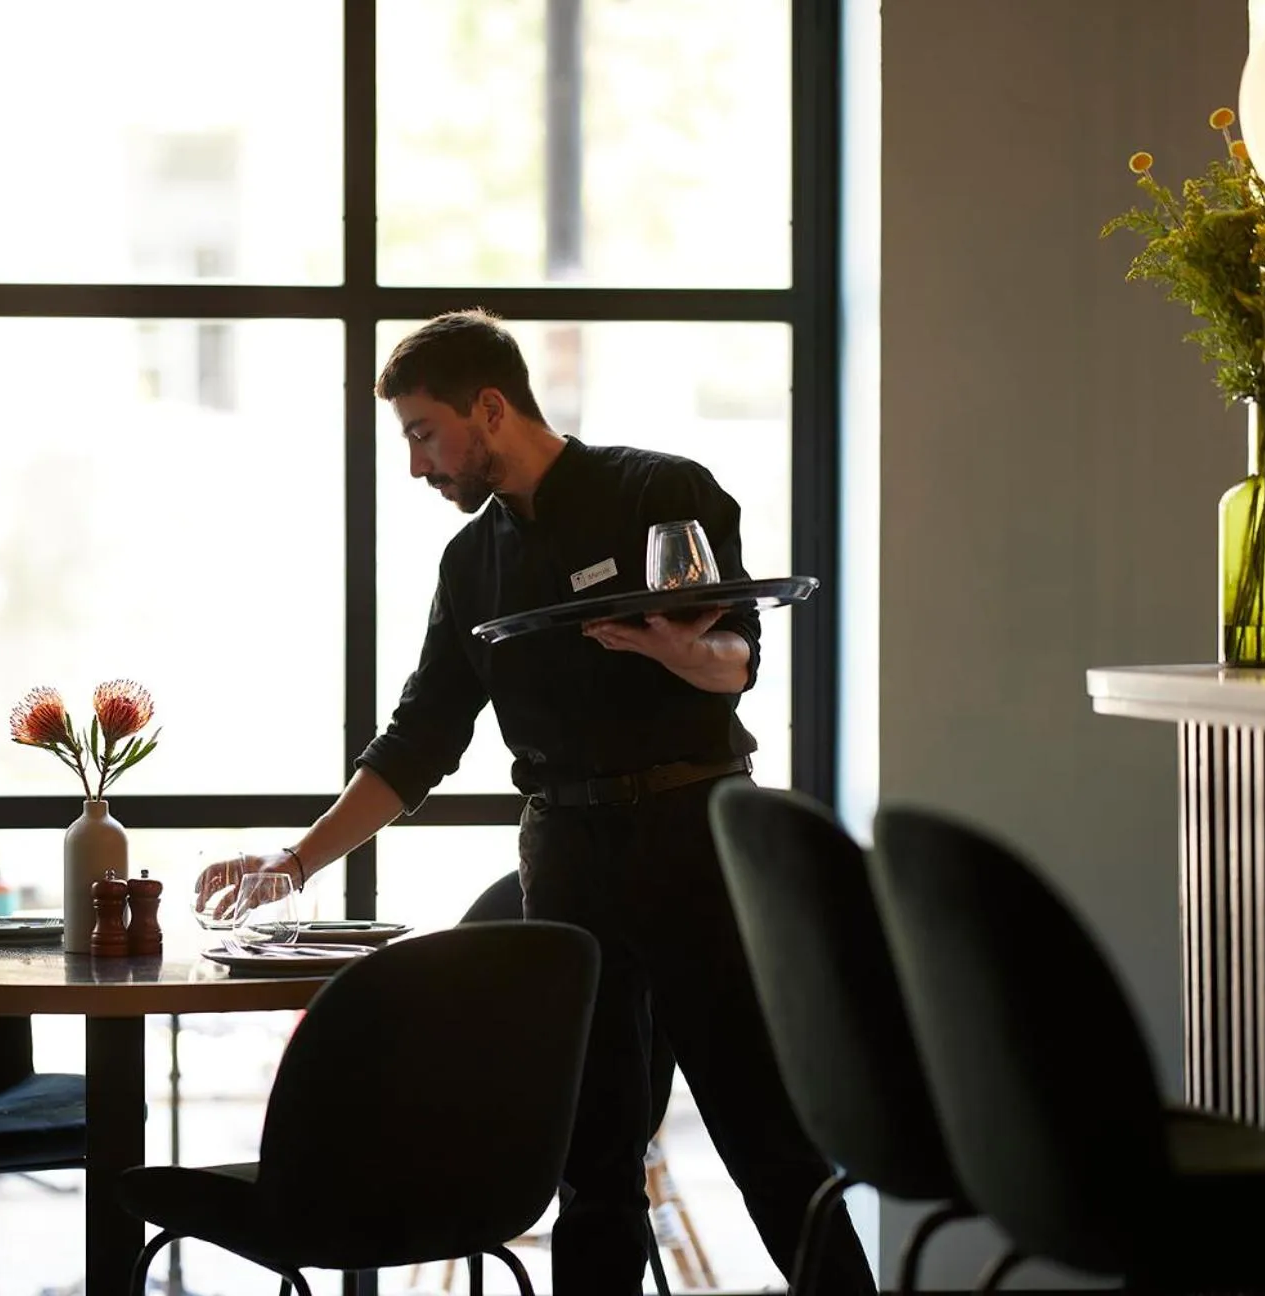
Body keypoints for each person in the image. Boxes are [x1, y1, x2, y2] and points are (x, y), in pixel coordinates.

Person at [196, 309, 873, 1295]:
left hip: (694, 841)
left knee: (764, 1139)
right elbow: (420, 737)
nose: (418, 464)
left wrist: (686, 652)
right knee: (590, 1161)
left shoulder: (657, 488)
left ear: (490, 405)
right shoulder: (474, 562)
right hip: (562, 859)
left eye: (423, 432)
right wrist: (292, 863)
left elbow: (737, 659)